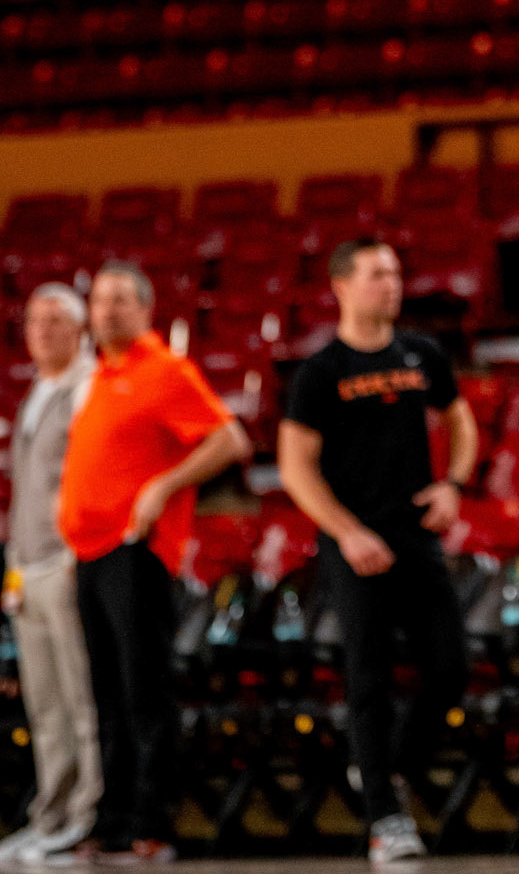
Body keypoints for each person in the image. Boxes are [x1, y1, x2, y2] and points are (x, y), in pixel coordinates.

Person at [278, 241, 478, 870]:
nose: (391, 285)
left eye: (395, 273)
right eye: (376, 275)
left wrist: (455, 483)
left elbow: (461, 419)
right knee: (368, 677)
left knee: (449, 671)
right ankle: (385, 823)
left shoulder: (422, 353)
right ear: (342, 286)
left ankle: (384, 773)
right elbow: (295, 468)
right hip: (353, 543)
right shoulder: (319, 372)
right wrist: (346, 531)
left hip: (417, 535)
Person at [57, 263, 250, 865]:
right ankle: (112, 824)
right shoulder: (100, 376)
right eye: (99, 301)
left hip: (134, 551)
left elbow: (230, 440)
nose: (107, 310)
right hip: (89, 554)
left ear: (145, 309)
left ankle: (151, 825)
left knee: (144, 694)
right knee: (107, 696)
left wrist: (162, 487)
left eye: (120, 300)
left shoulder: (165, 371)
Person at [0, 286, 100, 865]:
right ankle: (51, 813)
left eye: (55, 321)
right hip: (28, 566)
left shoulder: (87, 387)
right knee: (44, 705)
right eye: (34, 321)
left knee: (80, 698)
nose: (41, 331)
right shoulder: (36, 390)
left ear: (79, 327)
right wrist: (13, 569)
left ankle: (85, 818)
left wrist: (70, 555)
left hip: (66, 562)